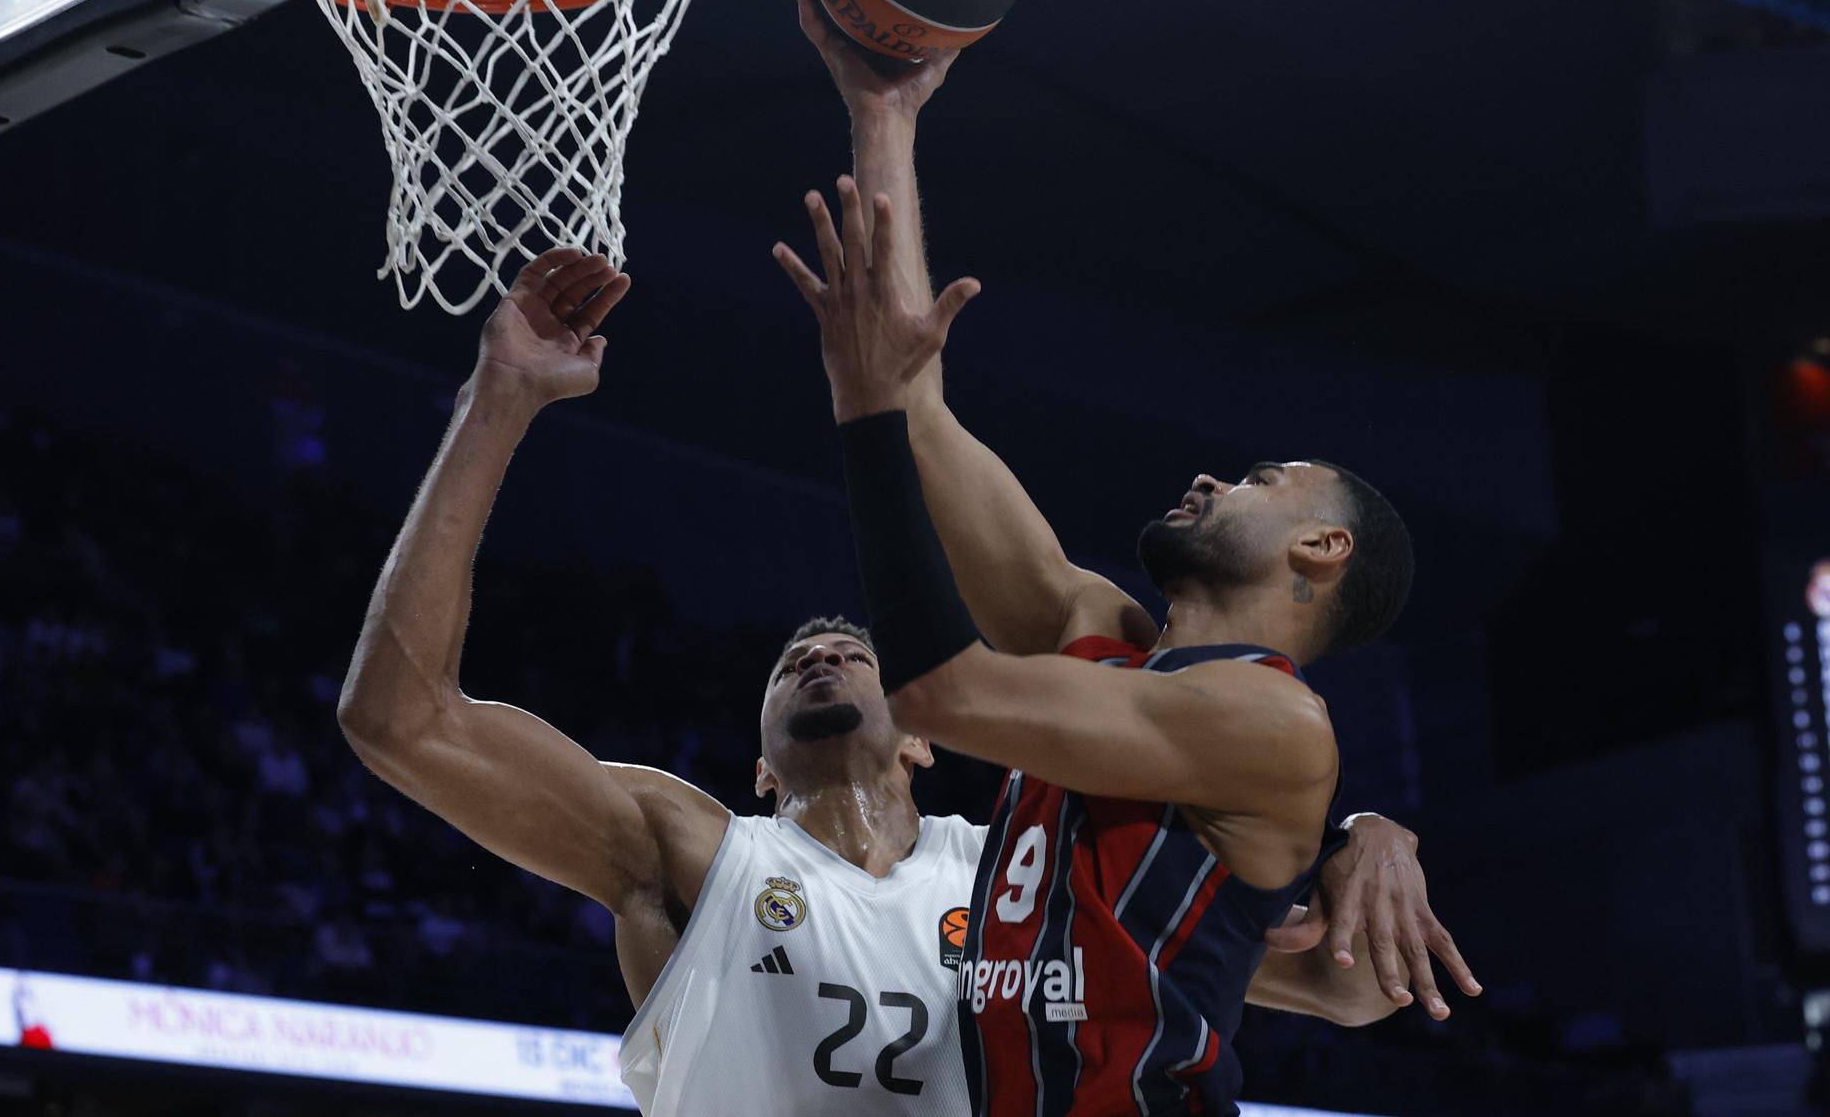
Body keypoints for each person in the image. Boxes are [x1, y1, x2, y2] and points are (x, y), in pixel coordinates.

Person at [337, 250, 1467, 1115]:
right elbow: (399, 719)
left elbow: (1349, 986)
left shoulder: (1024, 875)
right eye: (790, 663)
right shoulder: (687, 850)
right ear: (759, 767)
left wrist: (1367, 830)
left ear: (923, 745)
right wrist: (495, 399)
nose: (822, 653)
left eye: (853, 650)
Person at [773, 0, 1476, 1116]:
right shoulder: (1091, 631)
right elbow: (917, 400)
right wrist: (884, 113)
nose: (1209, 476)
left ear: (1319, 551)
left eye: (1259, 479)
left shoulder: (1268, 718)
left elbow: (941, 693)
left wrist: (860, 417)